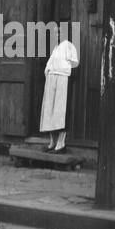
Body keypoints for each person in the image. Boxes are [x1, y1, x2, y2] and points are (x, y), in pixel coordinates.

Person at [40, 26, 79, 154]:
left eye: (59, 32)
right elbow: (49, 65)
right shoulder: (55, 49)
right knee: (49, 109)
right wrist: (50, 71)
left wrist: (62, 69)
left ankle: (61, 143)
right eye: (55, 32)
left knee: (60, 110)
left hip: (62, 79)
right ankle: (52, 142)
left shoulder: (69, 46)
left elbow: (74, 63)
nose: (57, 34)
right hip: (51, 80)